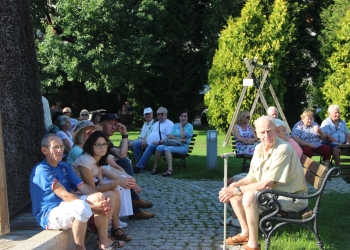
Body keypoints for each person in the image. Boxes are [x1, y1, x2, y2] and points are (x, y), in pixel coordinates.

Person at [219, 116, 308, 249]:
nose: (266, 135)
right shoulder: (259, 148)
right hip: (275, 193)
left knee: (248, 196)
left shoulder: (283, 149)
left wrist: (238, 190)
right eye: (262, 132)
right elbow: (251, 177)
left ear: (275, 130)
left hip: (293, 197)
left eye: (269, 131)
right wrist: (234, 186)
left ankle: (253, 245)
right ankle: (245, 233)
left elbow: (267, 184)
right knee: (234, 190)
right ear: (257, 133)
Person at [30, 134, 119, 250]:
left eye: (61, 147)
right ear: (44, 150)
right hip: (49, 213)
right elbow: (65, 195)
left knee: (99, 197)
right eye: (55, 147)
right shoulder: (42, 170)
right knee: (81, 207)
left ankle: (104, 243)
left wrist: (101, 199)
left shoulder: (63, 166)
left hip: (66, 206)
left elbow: (83, 187)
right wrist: (93, 207)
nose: (59, 150)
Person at [67, 120, 135, 227]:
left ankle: (115, 226)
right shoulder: (84, 159)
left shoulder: (96, 159)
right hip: (79, 194)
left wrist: (122, 180)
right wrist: (117, 182)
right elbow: (92, 189)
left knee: (116, 190)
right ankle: (109, 226)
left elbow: (100, 183)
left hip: (89, 191)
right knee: (114, 190)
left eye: (104, 144)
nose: (102, 147)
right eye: (99, 145)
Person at [99, 113, 155, 220]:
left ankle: (135, 204)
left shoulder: (105, 139)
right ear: (101, 124)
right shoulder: (99, 138)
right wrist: (132, 184)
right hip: (97, 173)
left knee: (124, 161)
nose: (113, 127)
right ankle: (135, 205)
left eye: (115, 124)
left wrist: (124, 135)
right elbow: (111, 163)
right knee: (124, 162)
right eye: (110, 123)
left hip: (104, 170)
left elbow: (122, 154)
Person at [151, 109, 193, 176]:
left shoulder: (189, 126)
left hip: (183, 147)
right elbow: (170, 136)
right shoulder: (175, 125)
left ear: (188, 117)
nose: (183, 118)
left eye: (185, 116)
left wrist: (181, 126)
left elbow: (183, 136)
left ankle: (170, 170)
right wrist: (160, 142)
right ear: (179, 117)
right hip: (174, 144)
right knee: (159, 148)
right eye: (181, 116)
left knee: (167, 149)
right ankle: (155, 168)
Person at [133, 107, 174, 173]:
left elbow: (170, 137)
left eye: (162, 114)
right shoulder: (156, 123)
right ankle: (139, 163)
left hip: (160, 144)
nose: (160, 116)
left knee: (151, 146)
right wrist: (144, 139)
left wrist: (159, 142)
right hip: (149, 142)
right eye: (158, 114)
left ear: (166, 115)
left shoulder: (169, 123)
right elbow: (149, 133)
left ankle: (139, 166)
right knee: (135, 143)